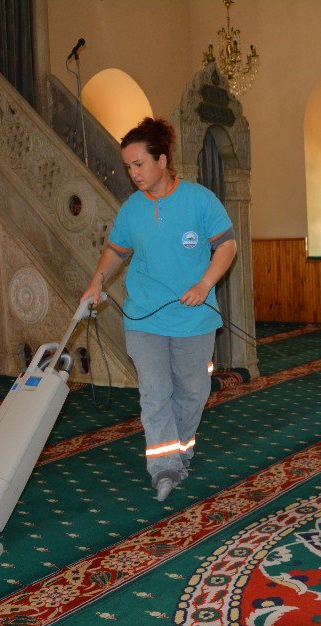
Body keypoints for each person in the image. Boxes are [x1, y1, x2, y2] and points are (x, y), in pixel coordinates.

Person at [81, 117, 237, 502]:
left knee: (192, 391)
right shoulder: (132, 209)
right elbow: (117, 250)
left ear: (163, 160)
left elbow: (227, 246)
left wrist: (204, 285)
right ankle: (164, 467)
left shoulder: (200, 200)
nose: (133, 173)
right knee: (154, 392)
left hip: (194, 318)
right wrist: (97, 280)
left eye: (140, 164)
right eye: (129, 166)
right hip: (143, 318)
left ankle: (179, 450)